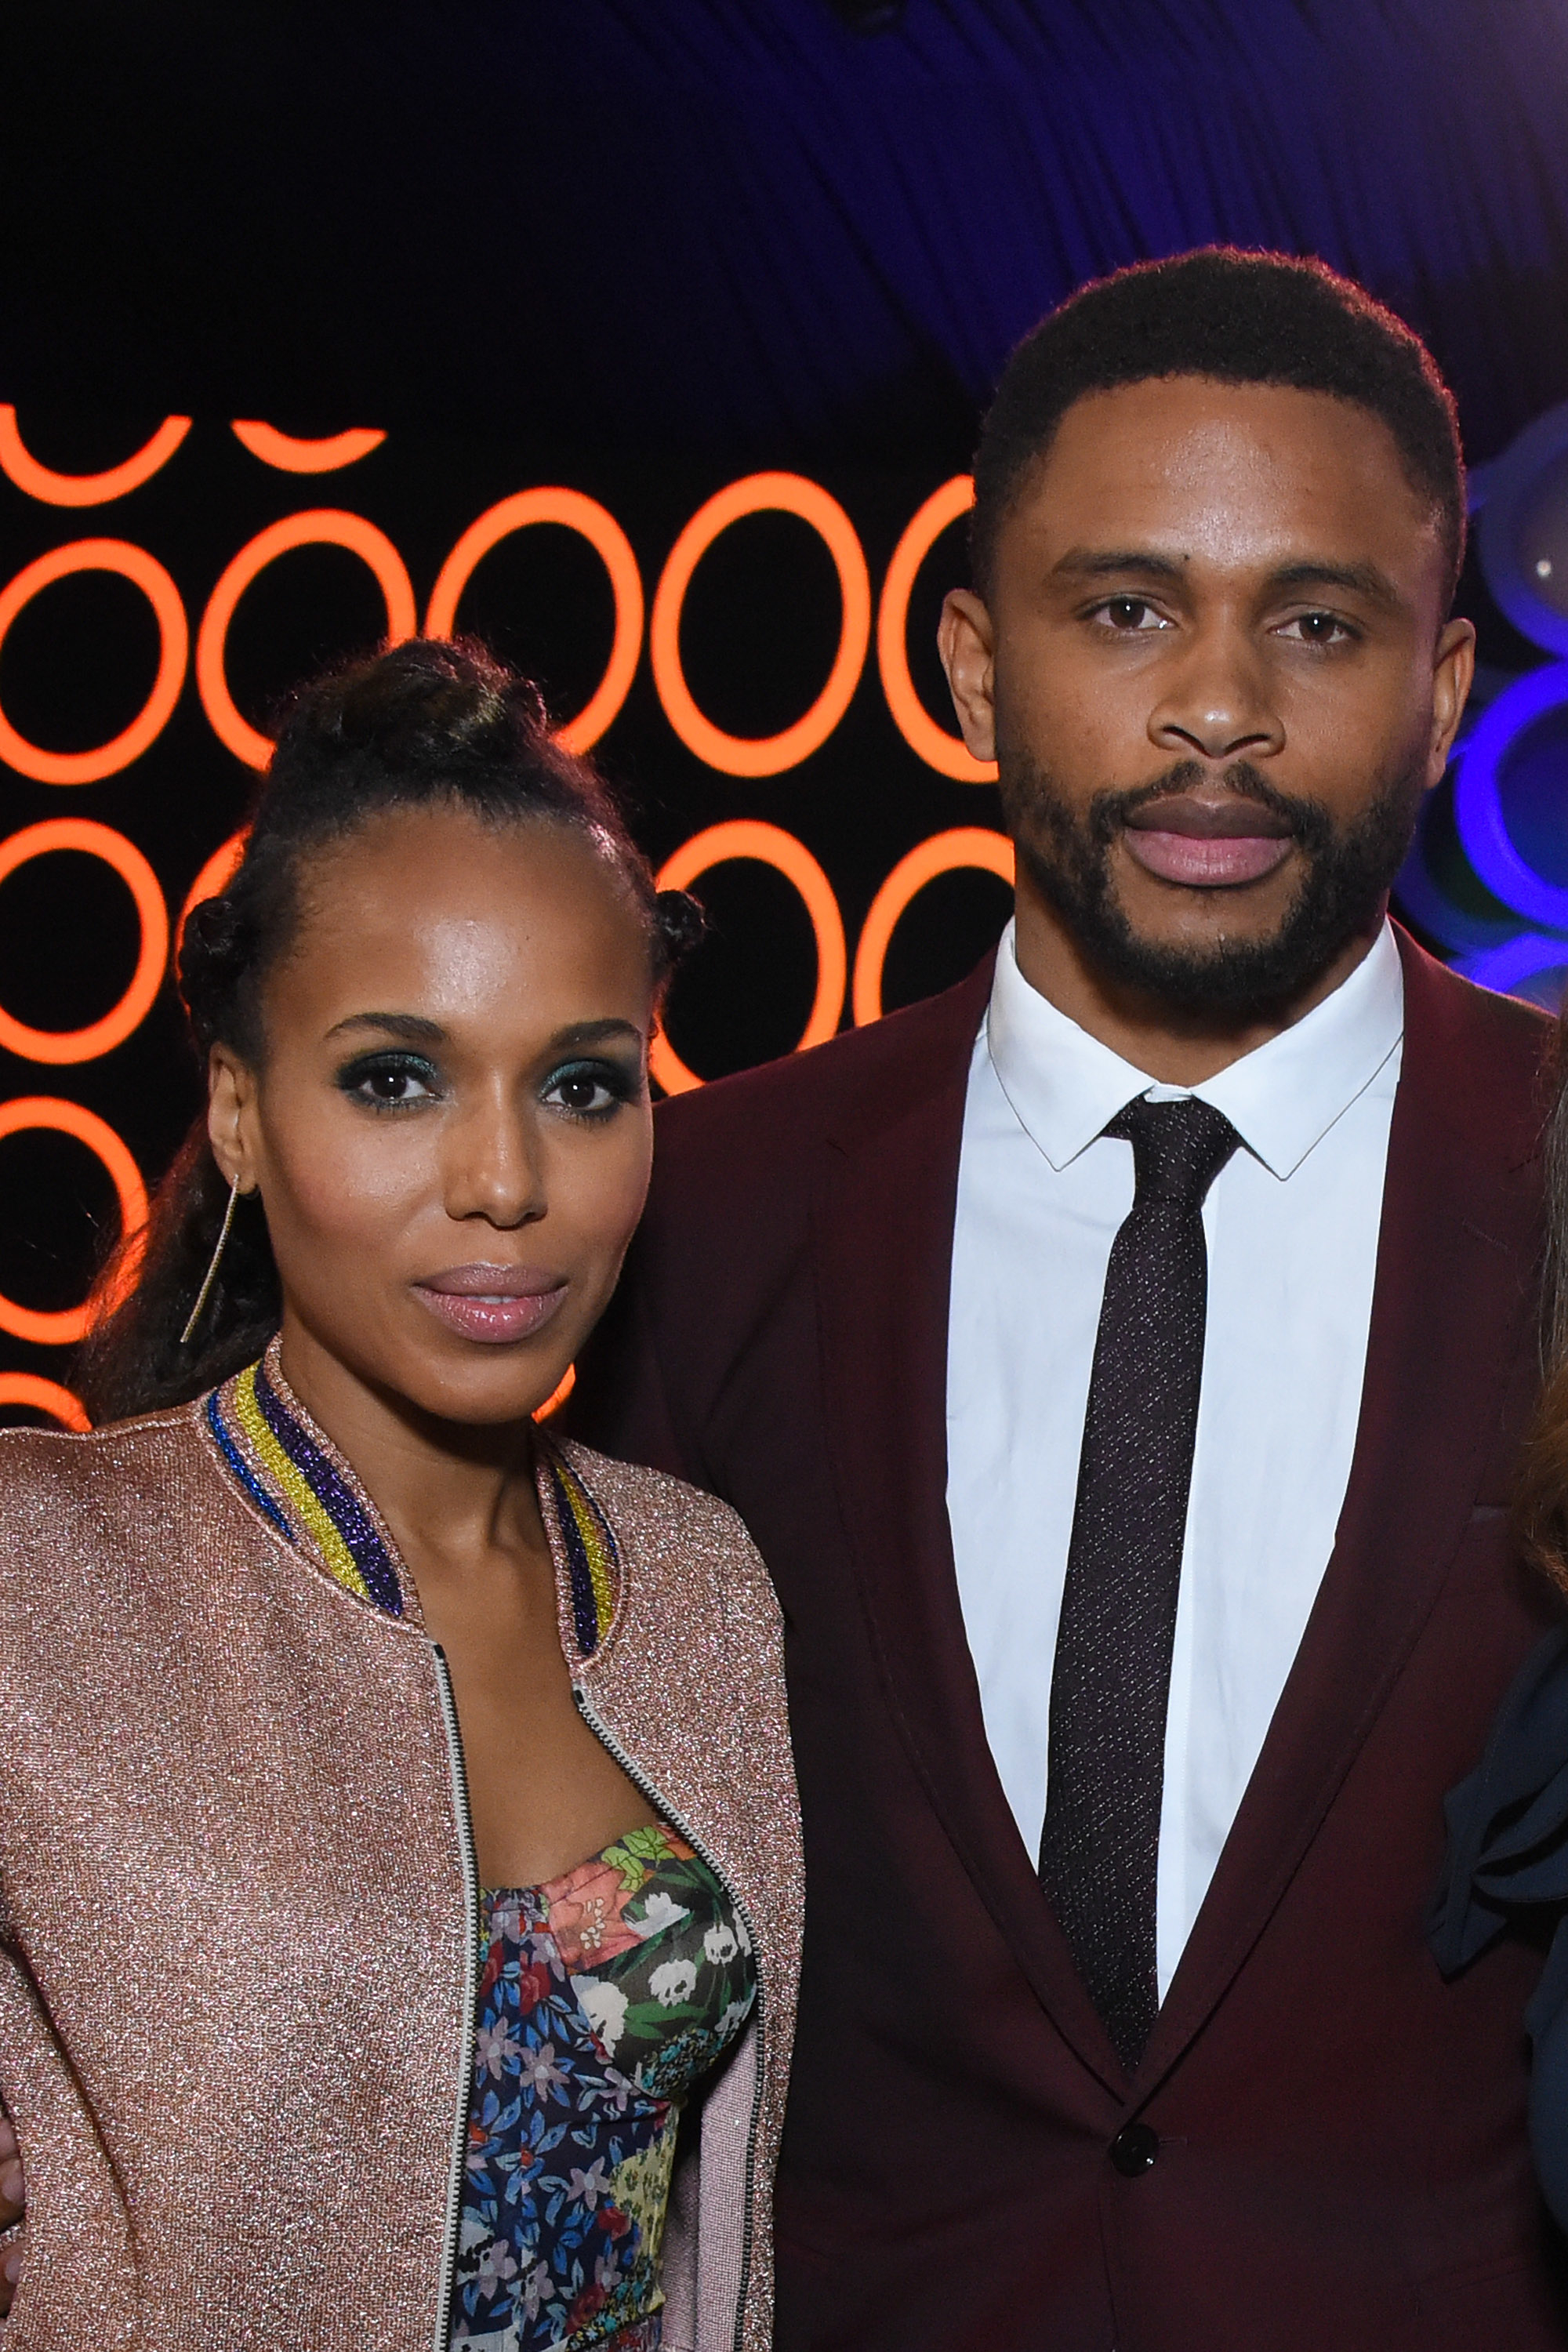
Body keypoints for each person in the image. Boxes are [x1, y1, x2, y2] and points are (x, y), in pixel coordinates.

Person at [568, 250, 1568, 2348]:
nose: (1219, 703)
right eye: (1126, 610)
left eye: (1318, 619)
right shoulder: (698, 1211)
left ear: (1450, 681)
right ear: (969, 662)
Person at [0, 640, 800, 2350]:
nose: (505, 1183)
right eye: (394, 1079)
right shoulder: (38, 1577)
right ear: (236, 1113)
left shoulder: (702, 1582)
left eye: (582, 1085)